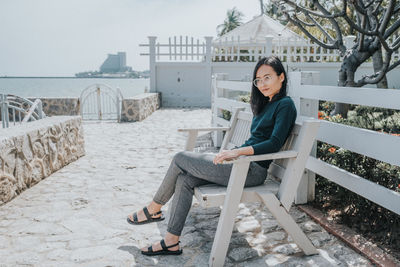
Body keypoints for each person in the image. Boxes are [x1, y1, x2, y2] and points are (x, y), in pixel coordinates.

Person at [126, 56, 297, 256]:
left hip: (251, 170)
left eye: (267, 77)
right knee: (184, 179)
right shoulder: (267, 104)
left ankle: (154, 208)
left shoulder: (285, 104)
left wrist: (236, 152)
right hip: (240, 164)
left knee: (180, 157)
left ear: (281, 77)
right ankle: (171, 241)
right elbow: (258, 139)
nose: (262, 84)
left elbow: (274, 144)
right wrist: (234, 155)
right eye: (258, 80)